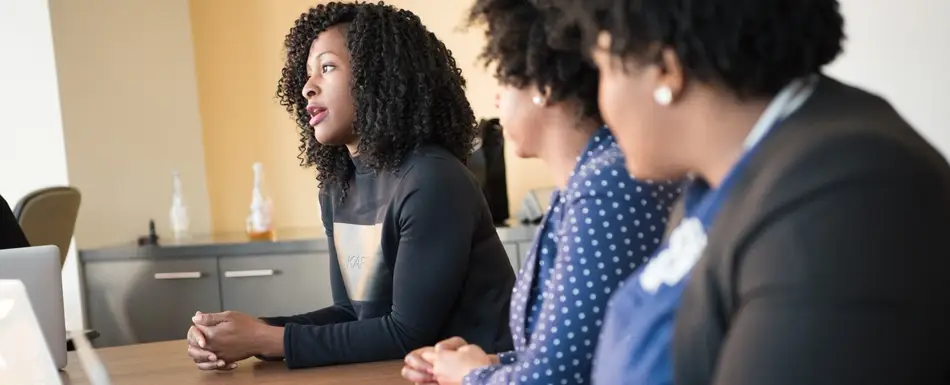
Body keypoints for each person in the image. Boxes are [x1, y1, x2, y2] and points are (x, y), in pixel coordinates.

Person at [547, 0, 950, 384]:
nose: (601, 99)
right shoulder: (717, 184)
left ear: (666, 70)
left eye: (604, 70)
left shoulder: (846, 197)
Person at [185, 1, 516, 370]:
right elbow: (352, 313)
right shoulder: (336, 186)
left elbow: (408, 333)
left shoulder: (432, 180)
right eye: (308, 73)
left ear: (379, 76)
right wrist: (248, 334)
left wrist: (268, 338)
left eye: (327, 68)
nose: (308, 87)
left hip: (484, 375)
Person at [400, 1, 680, 383]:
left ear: (545, 86)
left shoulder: (604, 184)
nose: (497, 100)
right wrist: (494, 363)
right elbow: (577, 351)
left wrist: (471, 376)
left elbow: (553, 379)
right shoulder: (584, 184)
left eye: (504, 80)